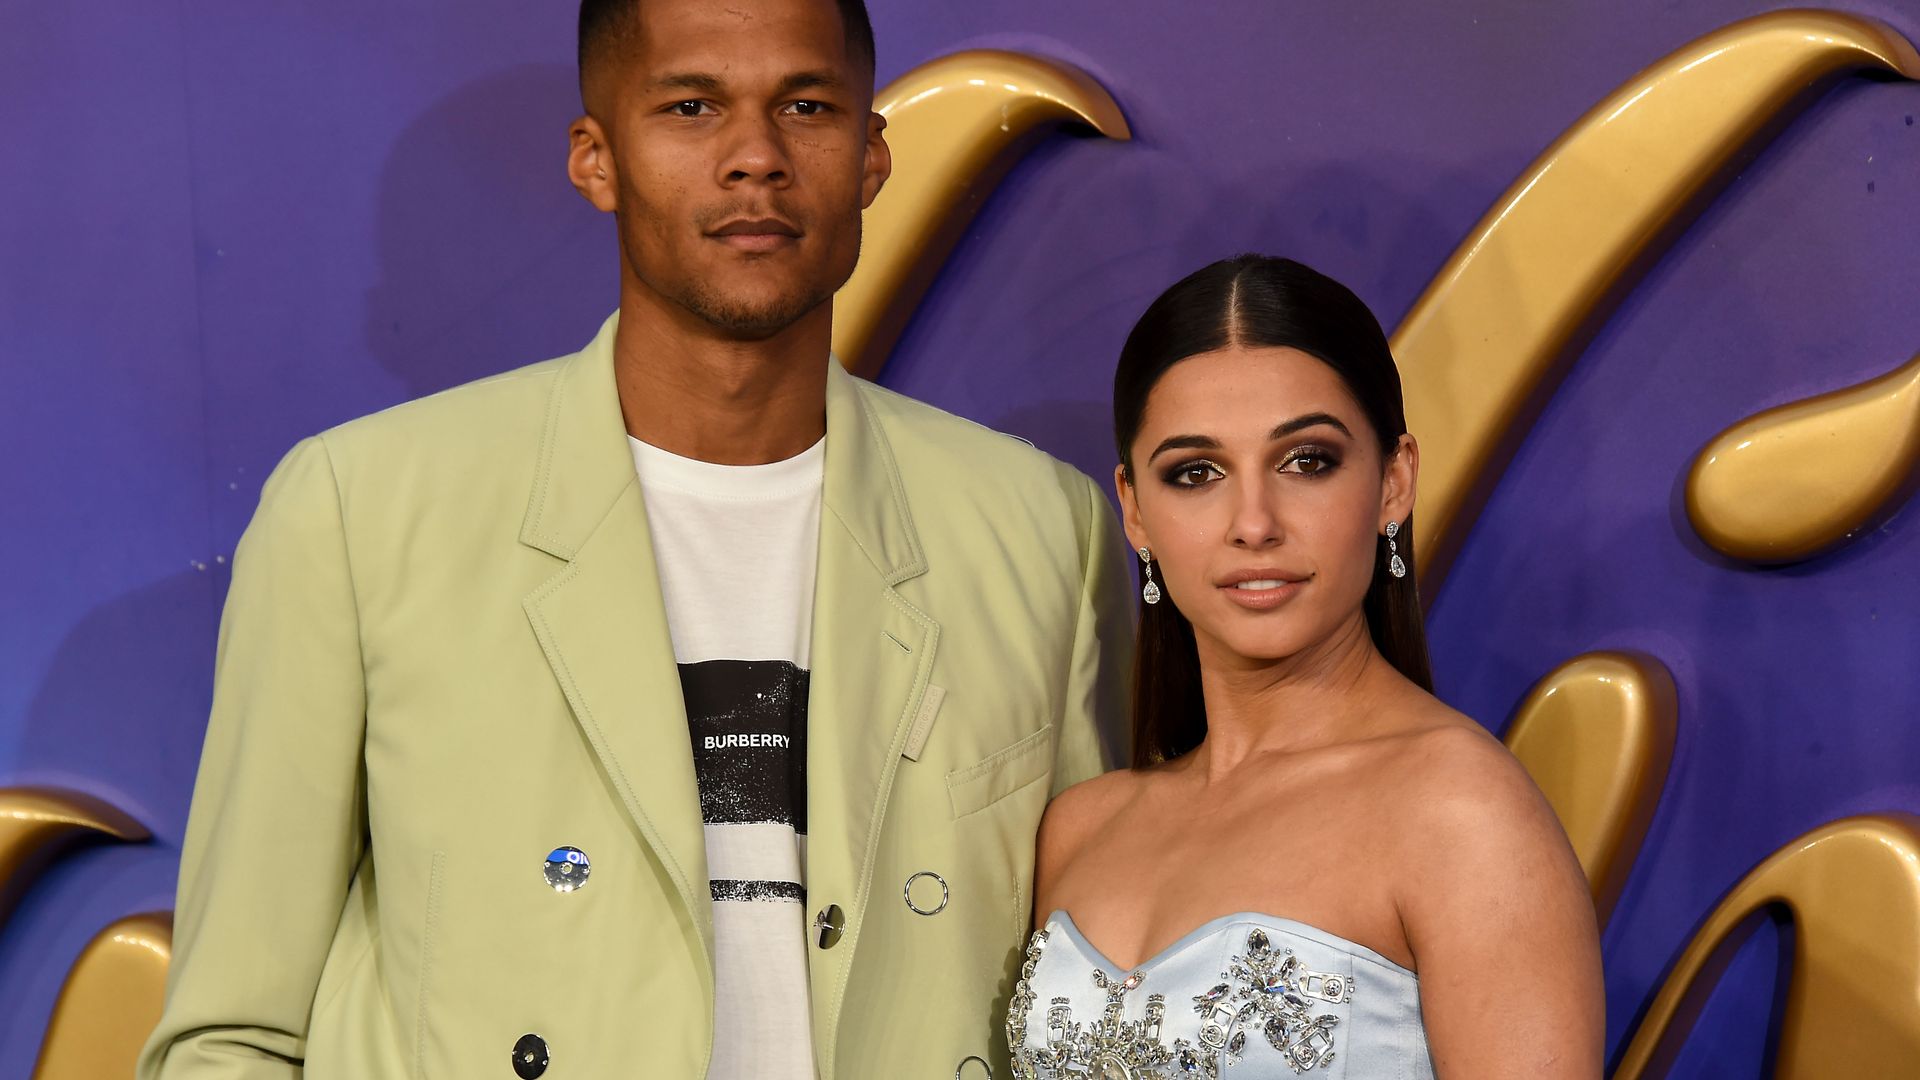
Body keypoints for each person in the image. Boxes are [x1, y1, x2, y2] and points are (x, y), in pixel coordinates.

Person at [137, 1, 1131, 1077]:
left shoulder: (1042, 532)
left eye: (805, 106)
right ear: (596, 159)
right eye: (692, 107)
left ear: (872, 158)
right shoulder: (360, 512)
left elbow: (1080, 1001)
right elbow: (231, 1035)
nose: (756, 158)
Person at [1009, 255, 1605, 1078]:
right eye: (1196, 474)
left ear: (1394, 482)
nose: (1253, 523)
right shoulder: (1080, 828)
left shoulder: (1459, 812)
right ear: (1136, 511)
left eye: (1307, 461)